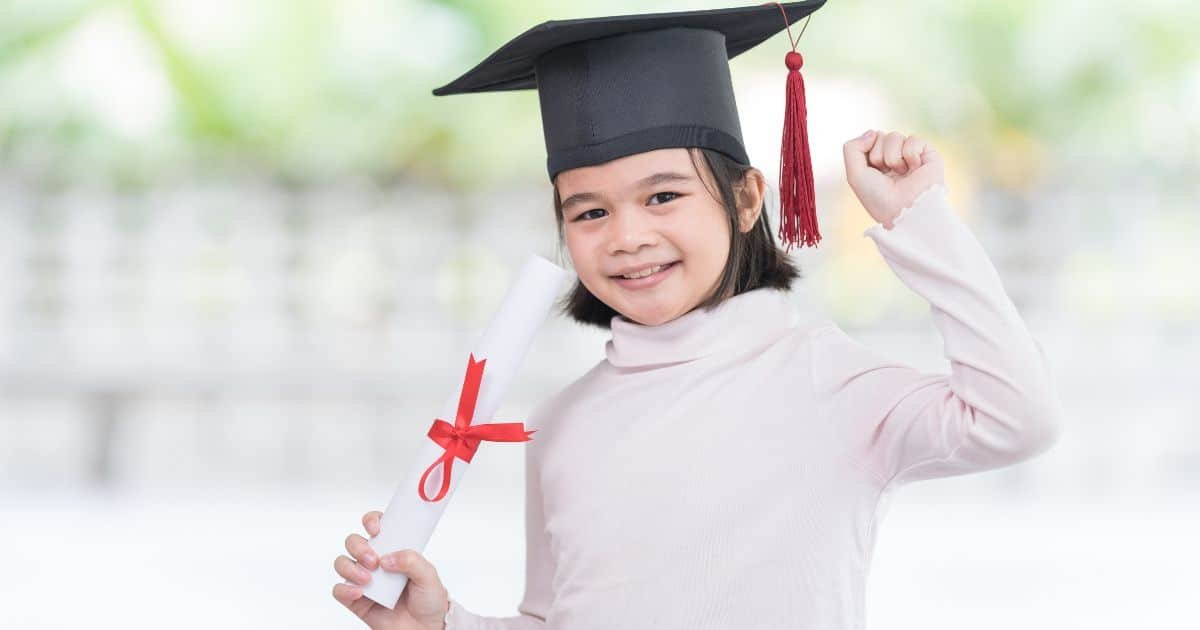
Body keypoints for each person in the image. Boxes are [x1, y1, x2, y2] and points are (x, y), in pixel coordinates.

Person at [331, 2, 1065, 629]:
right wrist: (444, 622)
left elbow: (1018, 418)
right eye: (588, 211)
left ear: (748, 198)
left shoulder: (824, 380)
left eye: (662, 197)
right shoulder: (560, 423)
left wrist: (921, 225)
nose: (626, 237)